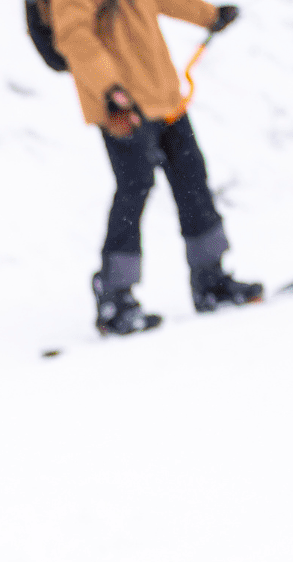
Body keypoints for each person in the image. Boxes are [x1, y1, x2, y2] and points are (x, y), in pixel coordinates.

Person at [41, 0, 263, 334]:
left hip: (161, 90)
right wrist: (109, 88)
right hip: (120, 103)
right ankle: (114, 295)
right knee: (136, 185)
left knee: (192, 177)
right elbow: (73, 35)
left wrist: (209, 16)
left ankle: (210, 278)